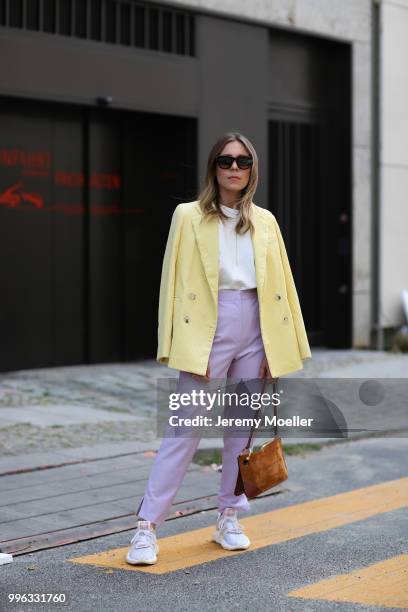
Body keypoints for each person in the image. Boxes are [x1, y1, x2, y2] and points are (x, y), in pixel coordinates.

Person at [126, 131, 311, 565]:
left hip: (257, 324)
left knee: (240, 432)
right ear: (214, 167)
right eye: (226, 160)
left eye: (242, 161)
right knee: (184, 429)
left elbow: (283, 286)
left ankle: (229, 514)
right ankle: (146, 527)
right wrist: (177, 345)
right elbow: (170, 286)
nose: (234, 168)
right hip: (207, 326)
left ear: (252, 170)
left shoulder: (265, 221)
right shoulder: (188, 216)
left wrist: (276, 346)